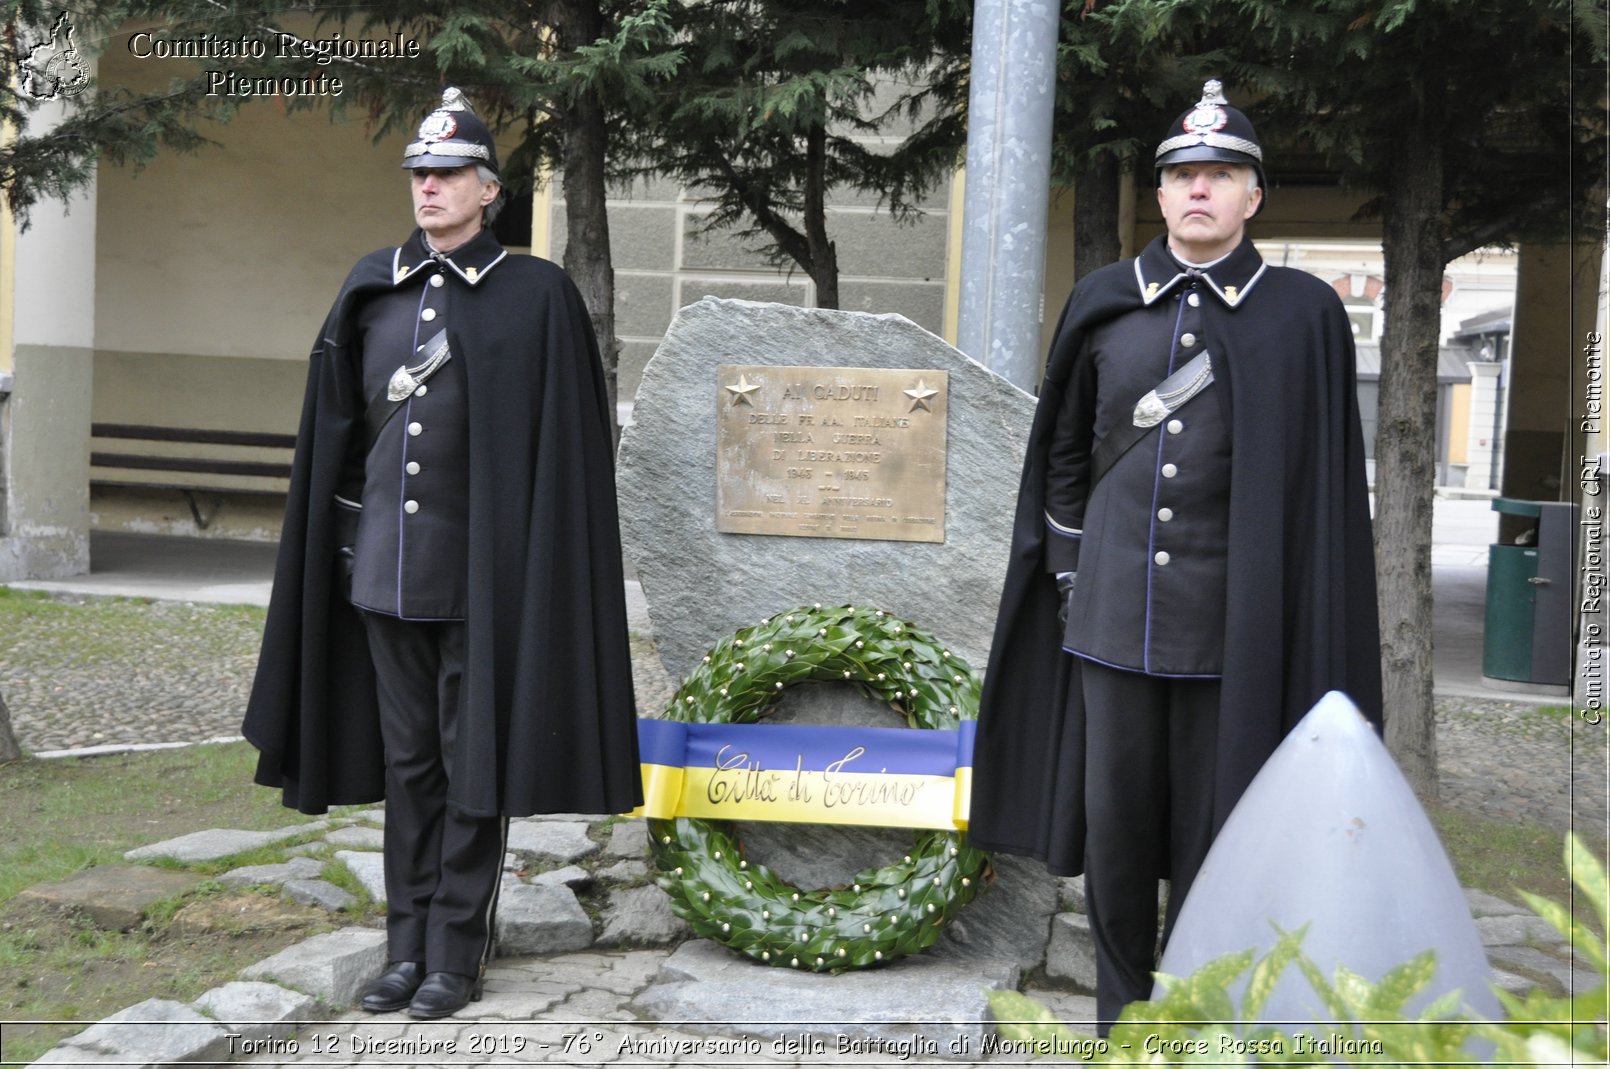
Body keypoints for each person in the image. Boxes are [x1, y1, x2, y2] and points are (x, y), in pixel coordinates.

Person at [969, 80, 1382, 1030]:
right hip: (1112, 624)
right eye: (1183, 175)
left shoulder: (1302, 315)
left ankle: (1196, 1019)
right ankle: (1123, 1023)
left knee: (1216, 835)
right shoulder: (1105, 302)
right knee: (1116, 836)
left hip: (1235, 630)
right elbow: (1064, 451)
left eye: (1220, 175)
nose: (1199, 190)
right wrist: (1072, 572)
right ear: (1159, 196)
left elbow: (1319, 485)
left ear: (1253, 197)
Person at [242, 88, 642, 1020]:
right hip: (385, 572)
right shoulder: (373, 284)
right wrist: (340, 549)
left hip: (486, 580)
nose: (427, 189)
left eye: (446, 174)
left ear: (488, 189)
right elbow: (335, 431)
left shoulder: (536, 296)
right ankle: (403, 945)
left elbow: (566, 453)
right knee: (410, 762)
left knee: (472, 766)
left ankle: (455, 952)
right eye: (419, 174)